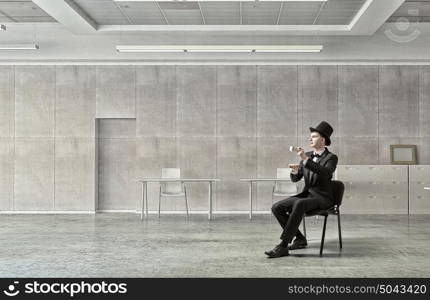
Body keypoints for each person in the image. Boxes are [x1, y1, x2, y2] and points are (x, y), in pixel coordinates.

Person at [265, 121, 338, 258]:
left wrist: (305, 160)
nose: (310, 139)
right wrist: (294, 172)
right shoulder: (308, 155)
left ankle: (283, 246)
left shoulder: (331, 158)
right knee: (277, 207)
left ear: (323, 139)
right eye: (310, 136)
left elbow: (326, 173)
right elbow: (296, 179)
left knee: (299, 203)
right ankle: (300, 239)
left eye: (314, 136)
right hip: (307, 195)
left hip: (323, 198)